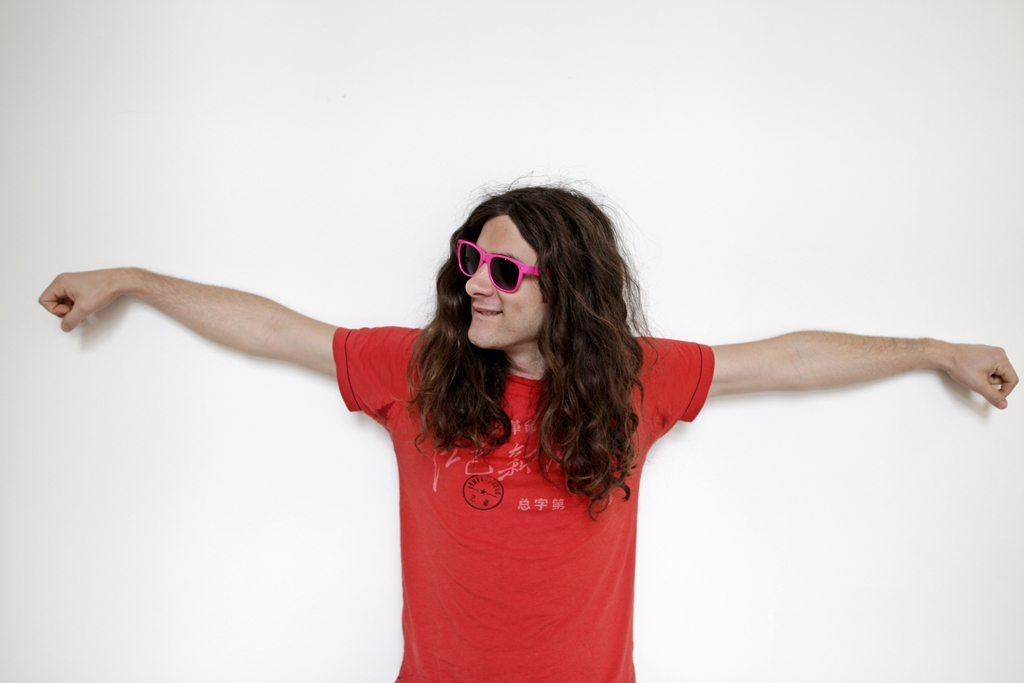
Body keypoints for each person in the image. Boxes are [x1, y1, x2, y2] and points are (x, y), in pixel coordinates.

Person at [38, 185, 1016, 682]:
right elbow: (271, 327)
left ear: (567, 289)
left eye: (504, 270)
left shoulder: (637, 378)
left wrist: (934, 350)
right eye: (471, 257)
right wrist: (134, 281)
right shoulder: (416, 369)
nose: (475, 280)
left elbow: (789, 358)